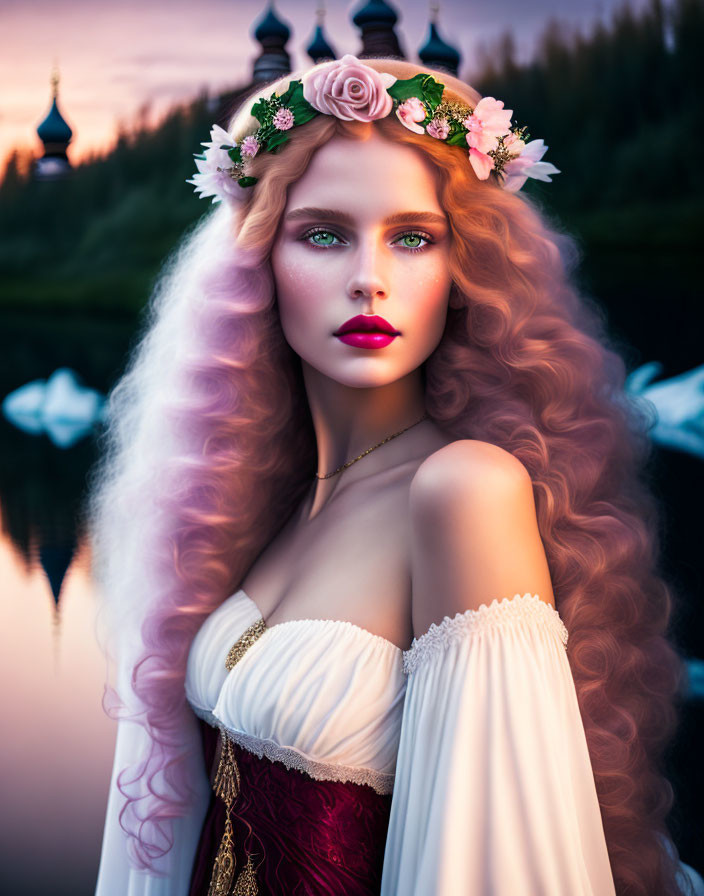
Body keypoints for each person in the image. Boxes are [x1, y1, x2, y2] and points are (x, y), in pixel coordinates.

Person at [89, 55, 704, 895]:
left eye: (413, 237)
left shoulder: (465, 492)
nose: (368, 278)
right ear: (257, 260)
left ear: (466, 272)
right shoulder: (267, 499)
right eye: (323, 234)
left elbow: (492, 870)